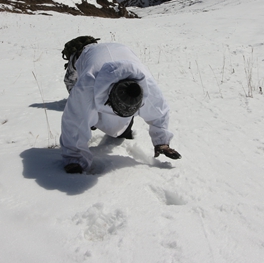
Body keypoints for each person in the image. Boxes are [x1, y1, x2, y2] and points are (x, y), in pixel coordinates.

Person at [60, 36, 181, 174]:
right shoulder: (87, 85)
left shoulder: (147, 84)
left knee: (121, 131)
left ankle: (123, 128)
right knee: (84, 114)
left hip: (120, 50)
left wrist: (162, 142)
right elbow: (74, 122)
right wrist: (74, 159)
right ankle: (94, 122)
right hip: (91, 61)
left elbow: (159, 113)